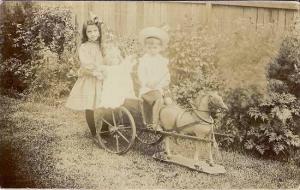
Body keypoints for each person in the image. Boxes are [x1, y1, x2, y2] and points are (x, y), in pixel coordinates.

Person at [65, 16, 105, 142]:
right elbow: (87, 64)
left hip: (103, 78)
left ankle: (105, 130)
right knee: (90, 105)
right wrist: (95, 72)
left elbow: (108, 59)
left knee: (107, 103)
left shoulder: (102, 46)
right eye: (89, 31)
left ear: (99, 31)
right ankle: (94, 134)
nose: (93, 34)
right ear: (85, 33)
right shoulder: (84, 47)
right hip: (90, 78)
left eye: (95, 31)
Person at [137, 26, 171, 130]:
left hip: (160, 88)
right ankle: (154, 123)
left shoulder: (162, 61)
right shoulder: (144, 60)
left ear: (160, 48)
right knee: (159, 99)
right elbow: (141, 75)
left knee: (169, 102)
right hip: (148, 89)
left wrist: (164, 83)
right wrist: (147, 82)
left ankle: (167, 121)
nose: (152, 50)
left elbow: (166, 74)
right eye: (149, 48)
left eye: (155, 48)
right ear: (145, 48)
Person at [99, 36, 137, 109]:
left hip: (121, 85)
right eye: (112, 58)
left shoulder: (120, 65)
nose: (114, 60)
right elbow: (103, 67)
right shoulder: (107, 67)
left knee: (123, 75)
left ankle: (126, 100)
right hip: (112, 87)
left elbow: (124, 63)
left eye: (115, 57)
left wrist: (130, 59)